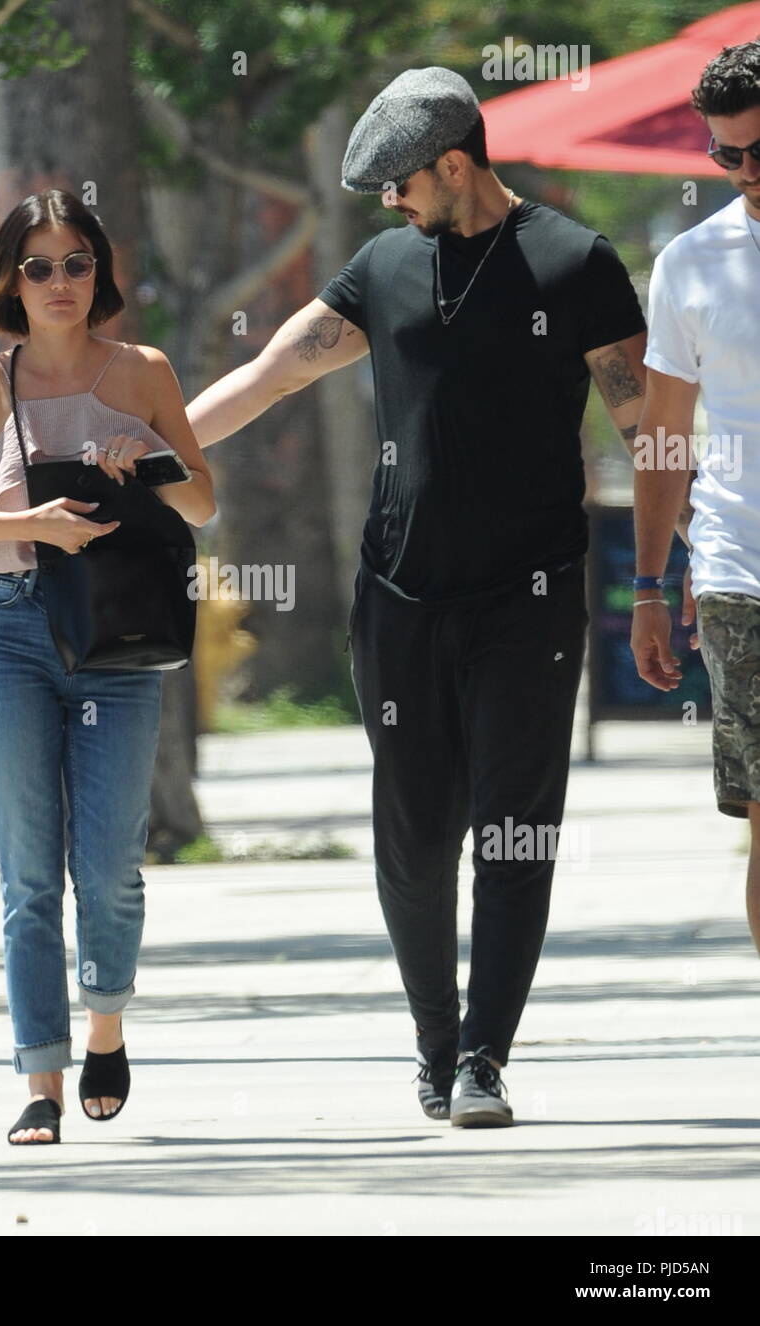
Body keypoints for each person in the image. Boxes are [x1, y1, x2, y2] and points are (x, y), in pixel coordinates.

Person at [186, 66, 668, 1128]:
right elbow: (269, 375)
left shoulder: (575, 261)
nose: (387, 202)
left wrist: (665, 575)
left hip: (531, 597)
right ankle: (434, 1042)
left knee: (515, 833)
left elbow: (647, 432)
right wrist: (155, 446)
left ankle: (485, 1057)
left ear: (456, 162)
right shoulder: (383, 265)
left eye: (398, 181)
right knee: (413, 838)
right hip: (400, 593)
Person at [0, 188, 215, 1144]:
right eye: (39, 266)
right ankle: (41, 1080)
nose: (61, 281)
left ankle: (105, 1024)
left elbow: (202, 505)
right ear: (9, 282)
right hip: (15, 630)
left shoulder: (144, 372)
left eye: (78, 262)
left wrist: (148, 455)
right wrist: (17, 523)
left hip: (117, 638)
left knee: (108, 865)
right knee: (28, 871)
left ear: (100, 273)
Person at [631, 39, 760, 959]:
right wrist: (648, 582)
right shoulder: (692, 261)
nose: (749, 172)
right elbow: (666, 436)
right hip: (738, 572)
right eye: (728, 156)